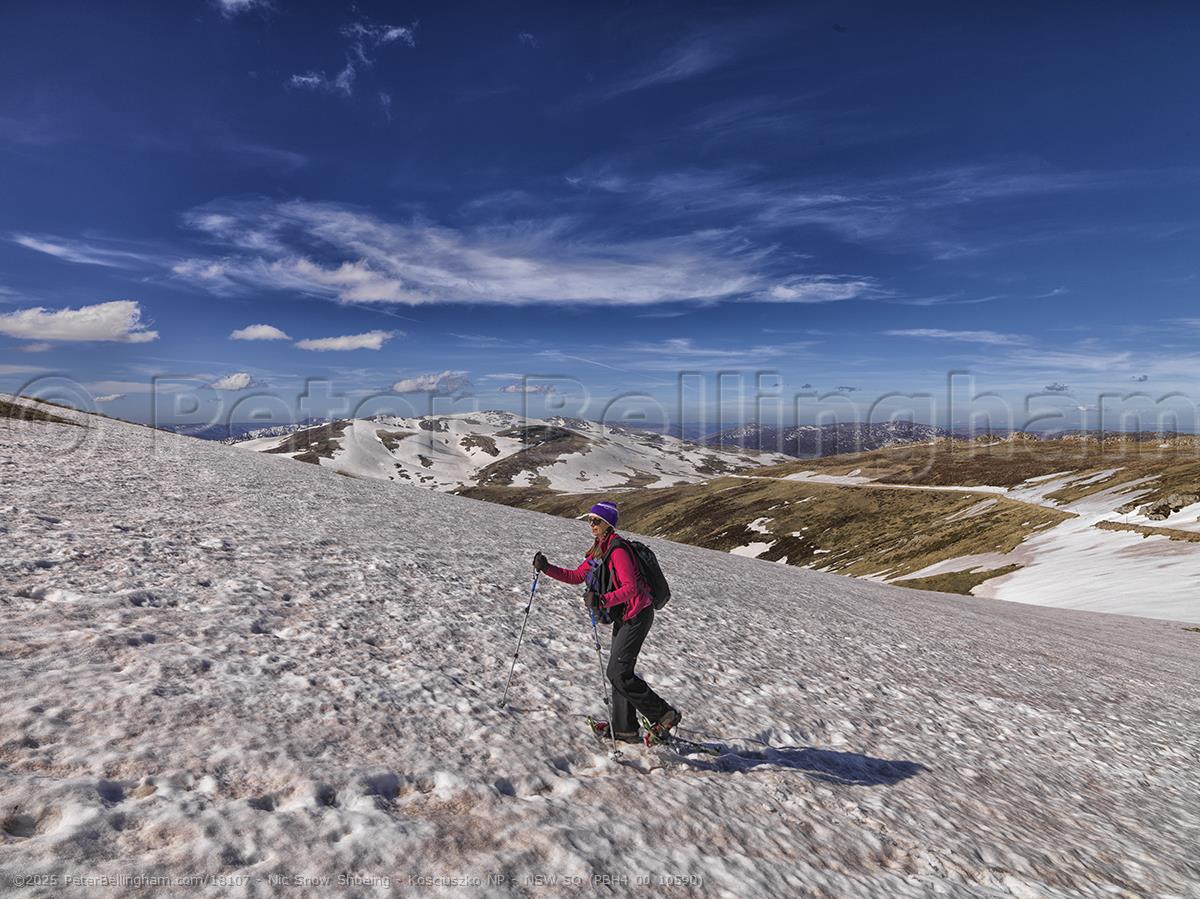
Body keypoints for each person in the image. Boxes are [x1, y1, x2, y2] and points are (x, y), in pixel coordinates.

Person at [533, 501, 681, 744]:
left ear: (608, 523)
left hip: (637, 615)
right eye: (590, 520)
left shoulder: (618, 551)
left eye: (596, 521)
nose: (591, 524)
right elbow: (576, 576)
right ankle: (624, 729)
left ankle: (665, 714)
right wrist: (547, 568)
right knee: (618, 672)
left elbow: (631, 589)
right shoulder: (599, 550)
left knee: (618, 672)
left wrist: (601, 599)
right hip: (625, 616)